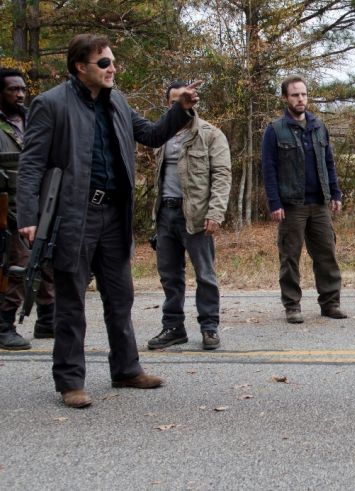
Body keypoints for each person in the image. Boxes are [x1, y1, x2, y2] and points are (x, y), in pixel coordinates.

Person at [16, 34, 201, 408]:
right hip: (73, 217)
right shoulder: (50, 104)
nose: (112, 68)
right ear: (80, 66)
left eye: (112, 61)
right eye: (104, 63)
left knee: (120, 297)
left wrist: (180, 110)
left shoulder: (117, 100)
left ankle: (126, 369)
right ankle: (70, 382)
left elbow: (150, 135)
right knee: (71, 301)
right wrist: (29, 217)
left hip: (114, 215)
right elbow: (31, 165)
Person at [147, 81, 231, 351]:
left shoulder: (210, 134)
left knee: (205, 274)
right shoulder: (160, 136)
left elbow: (222, 175)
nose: (177, 105)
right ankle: (173, 327)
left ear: (192, 102)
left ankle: (209, 327)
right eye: (173, 101)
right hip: (165, 213)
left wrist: (215, 212)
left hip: (195, 214)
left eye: (182, 100)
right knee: (169, 276)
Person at [261, 75, 346, 324]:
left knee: (326, 254)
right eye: (295, 95)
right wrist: (274, 203)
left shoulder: (319, 126)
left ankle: (330, 303)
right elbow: (269, 169)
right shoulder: (275, 130)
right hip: (291, 205)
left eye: (304, 94)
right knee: (290, 256)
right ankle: (292, 306)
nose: (301, 99)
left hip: (319, 203)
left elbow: (329, 163)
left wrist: (335, 193)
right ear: (285, 98)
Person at [0, 68, 55, 350]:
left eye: (22, 89)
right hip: (7, 209)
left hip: (37, 204)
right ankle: (4, 325)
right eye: (12, 89)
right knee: (20, 266)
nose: (20, 94)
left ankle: (47, 319)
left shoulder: (31, 119)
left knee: (46, 258)